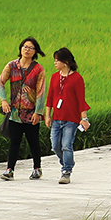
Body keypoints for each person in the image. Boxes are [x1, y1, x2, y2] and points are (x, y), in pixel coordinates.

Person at [0, 37, 47, 180]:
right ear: (20, 48)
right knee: (14, 142)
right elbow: (0, 83)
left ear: (35, 51)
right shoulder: (12, 66)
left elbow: (41, 92)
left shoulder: (38, 69)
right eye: (25, 47)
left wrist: (38, 112)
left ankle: (37, 168)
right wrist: (4, 101)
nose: (27, 50)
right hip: (15, 113)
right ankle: (9, 170)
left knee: (33, 141)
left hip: (31, 113)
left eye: (31, 48)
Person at [41, 47, 91, 185]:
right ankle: (67, 162)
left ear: (66, 62)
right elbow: (50, 97)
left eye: (57, 60)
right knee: (55, 145)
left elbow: (81, 100)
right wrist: (47, 116)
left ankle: (66, 171)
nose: (55, 63)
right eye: (54, 60)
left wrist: (84, 118)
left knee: (66, 145)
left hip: (71, 119)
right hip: (56, 118)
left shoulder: (77, 78)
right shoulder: (54, 77)